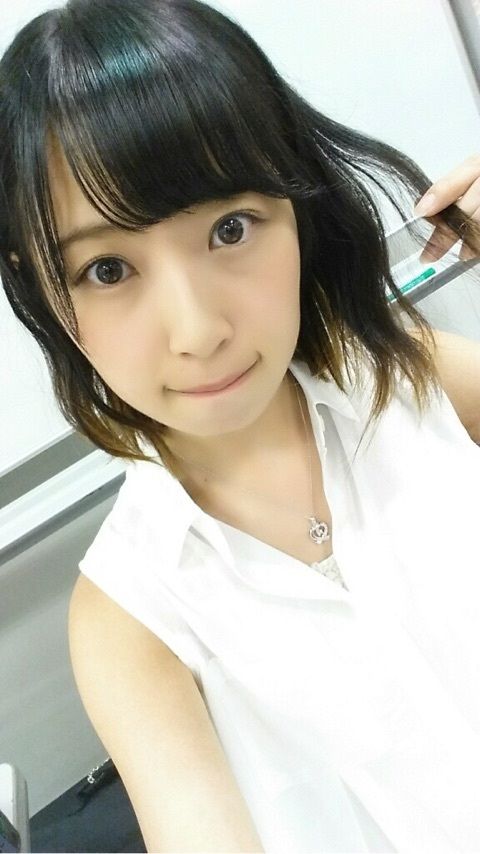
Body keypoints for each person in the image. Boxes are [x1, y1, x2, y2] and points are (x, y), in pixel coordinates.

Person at [1, 0, 480, 850]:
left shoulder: (411, 377)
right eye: (107, 269)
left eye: (230, 229)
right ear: (41, 287)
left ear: (295, 206)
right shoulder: (128, 621)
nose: (198, 331)